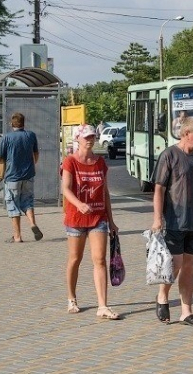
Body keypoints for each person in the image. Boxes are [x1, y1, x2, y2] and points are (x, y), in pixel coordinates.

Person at [152, 116, 193, 327]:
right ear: (186, 133)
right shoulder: (169, 155)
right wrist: (157, 218)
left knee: (189, 265)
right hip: (173, 220)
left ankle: (186, 312)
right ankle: (162, 295)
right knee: (176, 263)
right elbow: (159, 189)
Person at [61, 124, 121, 319]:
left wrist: (111, 220)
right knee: (75, 259)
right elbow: (66, 189)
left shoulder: (100, 163)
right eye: (86, 137)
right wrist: (79, 204)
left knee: (100, 260)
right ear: (77, 139)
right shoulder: (70, 162)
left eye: (92, 137)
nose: (90, 140)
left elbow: (105, 193)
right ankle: (71, 298)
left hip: (98, 218)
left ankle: (102, 306)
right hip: (76, 218)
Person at [0, 113, 42, 243]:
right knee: (27, 201)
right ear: (24, 123)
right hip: (28, 175)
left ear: (12, 124)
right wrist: (32, 164)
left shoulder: (7, 137)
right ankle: (32, 224)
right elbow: (36, 153)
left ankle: (17, 236)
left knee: (13, 204)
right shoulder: (31, 135)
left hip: (12, 176)